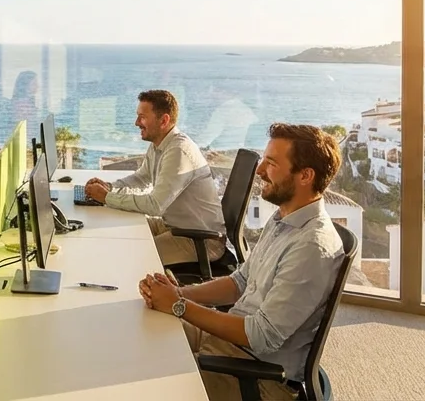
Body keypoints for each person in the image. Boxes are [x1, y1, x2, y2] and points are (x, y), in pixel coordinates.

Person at [137, 123, 345, 401]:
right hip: (227, 343)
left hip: (255, 376)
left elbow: (261, 335)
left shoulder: (312, 247)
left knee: (143, 380)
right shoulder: (284, 218)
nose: (260, 171)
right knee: (138, 332)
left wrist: (179, 306)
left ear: (305, 175)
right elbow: (240, 282)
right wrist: (179, 293)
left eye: (271, 163)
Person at [84, 89, 225, 266]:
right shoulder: (159, 144)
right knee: (113, 234)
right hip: (172, 226)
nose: (136, 123)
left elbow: (155, 205)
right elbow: (142, 178)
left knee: (128, 257)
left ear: (164, 120)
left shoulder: (179, 151)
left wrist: (106, 197)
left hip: (199, 240)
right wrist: (110, 187)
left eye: (142, 117)